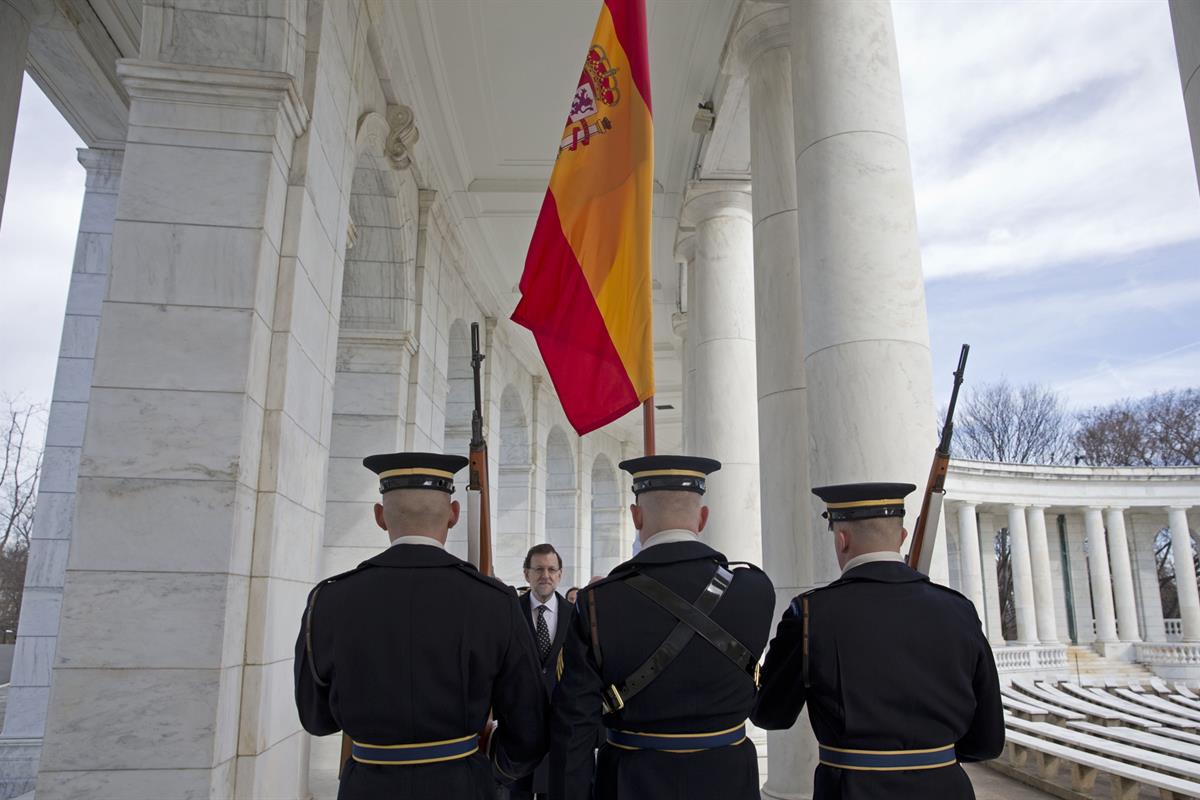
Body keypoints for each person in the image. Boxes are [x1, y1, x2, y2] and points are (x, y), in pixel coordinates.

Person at [295, 452, 547, 799]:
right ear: (455, 515)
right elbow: (529, 730)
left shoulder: (329, 599)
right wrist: (491, 769)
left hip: (368, 785)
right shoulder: (495, 600)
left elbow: (316, 718)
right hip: (462, 785)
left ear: (380, 517)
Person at [751, 482, 1005, 799]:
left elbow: (770, 715)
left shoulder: (809, 613)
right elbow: (987, 742)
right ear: (901, 538)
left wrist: (749, 665)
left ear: (841, 540)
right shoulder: (960, 610)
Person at [550, 455, 776, 800]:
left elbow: (574, 727)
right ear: (702, 518)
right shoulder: (755, 590)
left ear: (636, 516)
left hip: (631, 781)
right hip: (728, 780)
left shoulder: (599, 601)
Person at [511, 543, 573, 800]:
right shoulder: (510, 611)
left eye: (551, 569)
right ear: (526, 574)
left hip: (561, 725)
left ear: (560, 574)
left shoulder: (576, 615)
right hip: (518, 724)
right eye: (538, 569)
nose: (545, 575)